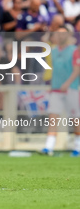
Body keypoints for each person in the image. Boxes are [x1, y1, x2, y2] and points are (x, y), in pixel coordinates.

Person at [41, 26, 80, 157]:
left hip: (72, 88)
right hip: (56, 89)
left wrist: (68, 83)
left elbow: (77, 69)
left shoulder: (74, 51)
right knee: (53, 117)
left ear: (68, 35)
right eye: (58, 34)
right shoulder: (53, 51)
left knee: (76, 119)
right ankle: (49, 146)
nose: (61, 36)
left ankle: (78, 146)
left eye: (63, 34)